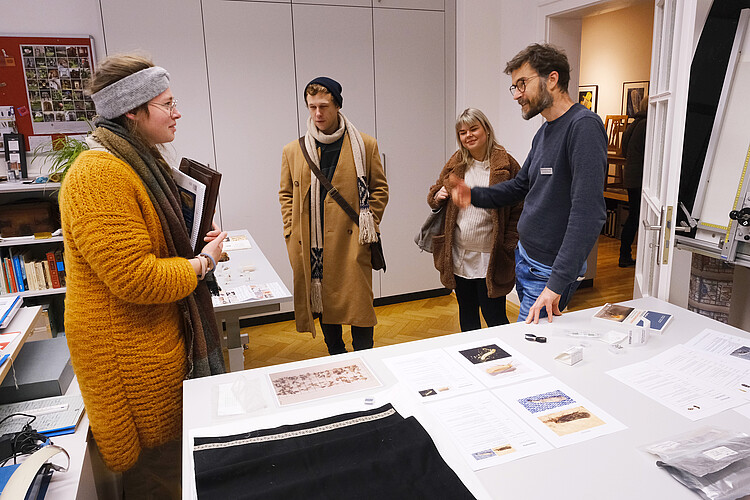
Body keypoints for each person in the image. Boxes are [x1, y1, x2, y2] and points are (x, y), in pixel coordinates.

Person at [59, 53, 227, 498]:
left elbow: (147, 247)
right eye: (166, 104)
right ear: (132, 111)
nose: (177, 112)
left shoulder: (133, 159)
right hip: (128, 353)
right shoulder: (98, 175)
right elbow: (136, 278)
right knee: (158, 474)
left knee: (173, 462)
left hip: (149, 337)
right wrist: (202, 262)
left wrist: (192, 244)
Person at [451, 43, 607, 324]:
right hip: (526, 259)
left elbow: (589, 214)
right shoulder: (546, 131)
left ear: (552, 79)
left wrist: (556, 284)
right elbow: (519, 186)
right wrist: (472, 195)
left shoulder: (583, 127)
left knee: (530, 346)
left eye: (522, 84)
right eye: (514, 87)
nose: (517, 95)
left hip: (548, 270)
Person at [279, 77, 388, 355]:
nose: (318, 114)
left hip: (352, 240)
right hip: (312, 242)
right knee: (324, 301)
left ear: (337, 105)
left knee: (360, 303)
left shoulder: (364, 145)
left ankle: (367, 357)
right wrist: (291, 231)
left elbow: (379, 189)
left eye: (324, 106)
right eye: (312, 107)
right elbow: (286, 195)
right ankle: (336, 355)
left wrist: (369, 223)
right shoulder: (294, 150)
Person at [427, 108, 522, 331]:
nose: (468, 135)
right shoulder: (456, 163)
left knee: (494, 315)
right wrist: (437, 195)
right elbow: (434, 192)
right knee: (467, 313)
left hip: (491, 256)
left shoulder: (506, 164)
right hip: (459, 254)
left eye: (473, 129)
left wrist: (509, 243)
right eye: (462, 132)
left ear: (486, 130)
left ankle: (507, 361)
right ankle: (471, 361)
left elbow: (520, 206)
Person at [619, 96, 648, 267]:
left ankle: (625, 255)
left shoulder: (633, 124)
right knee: (636, 217)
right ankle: (625, 256)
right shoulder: (646, 125)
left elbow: (624, 151)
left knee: (634, 216)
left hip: (631, 177)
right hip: (640, 178)